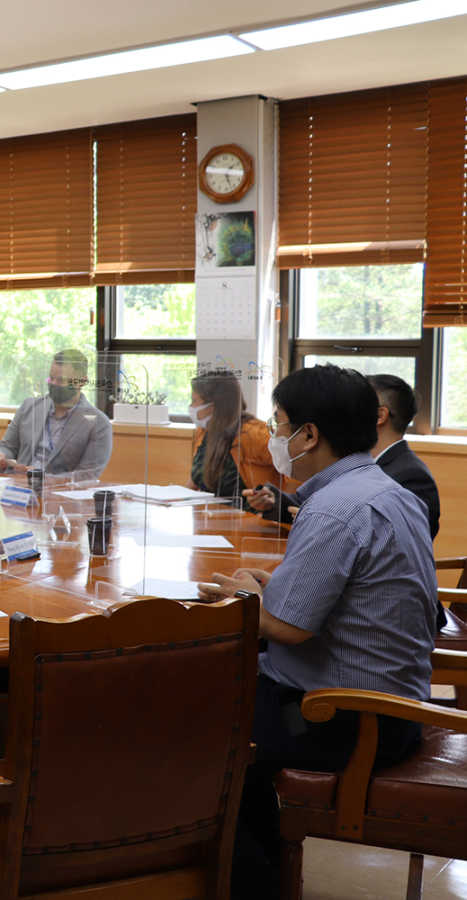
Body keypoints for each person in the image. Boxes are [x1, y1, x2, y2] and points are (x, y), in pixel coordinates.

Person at [196, 364, 436, 900]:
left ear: (310, 435)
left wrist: (242, 599)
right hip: (392, 707)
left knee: (191, 734)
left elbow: (288, 628)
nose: (276, 438)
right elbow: (328, 597)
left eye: (280, 426)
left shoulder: (332, 508)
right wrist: (267, 587)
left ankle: (248, 887)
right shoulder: (382, 489)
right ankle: (264, 880)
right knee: (229, 726)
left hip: (341, 717)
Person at [243, 373, 440, 539]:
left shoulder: (411, 473)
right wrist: (276, 501)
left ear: (380, 416)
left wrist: (323, 525)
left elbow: (409, 539)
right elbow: (326, 504)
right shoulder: (349, 462)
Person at [0, 349, 112, 478]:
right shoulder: (29, 407)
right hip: (18, 488)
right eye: (51, 378)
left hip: (60, 494)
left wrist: (42, 477)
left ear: (81, 382)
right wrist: (0, 456)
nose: (53, 384)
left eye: (61, 380)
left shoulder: (98, 423)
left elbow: (86, 475)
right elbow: (7, 446)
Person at [186, 372, 279, 511]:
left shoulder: (256, 434)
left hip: (251, 522)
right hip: (211, 518)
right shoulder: (204, 431)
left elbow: (294, 473)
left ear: (214, 405)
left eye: (194, 401)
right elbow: (196, 477)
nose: (191, 406)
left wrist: (278, 505)